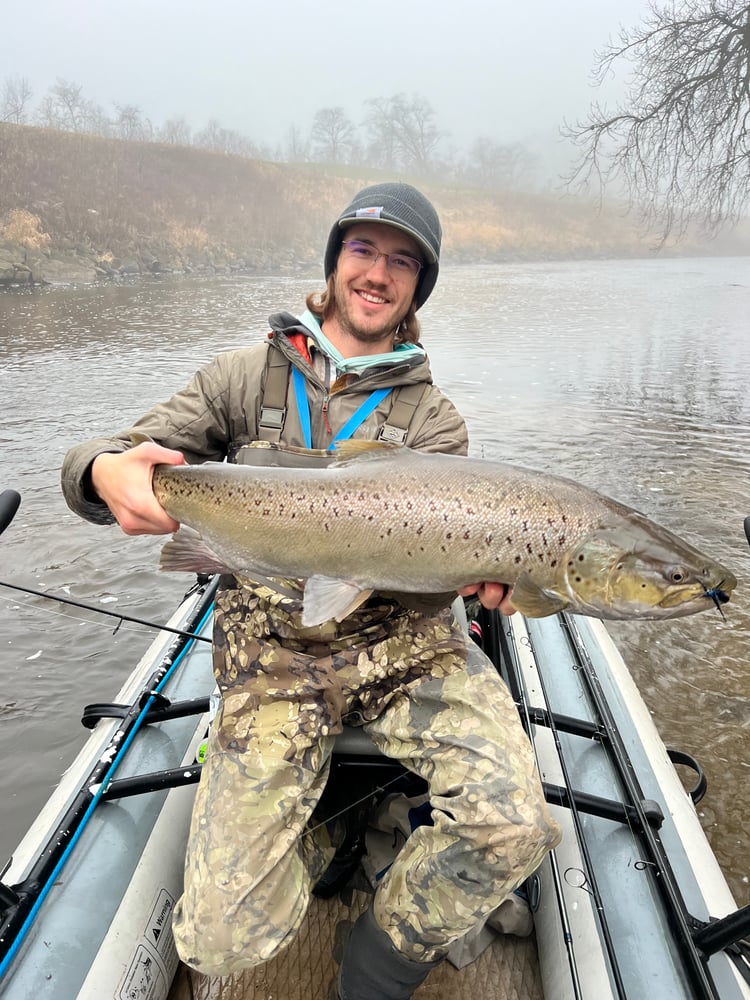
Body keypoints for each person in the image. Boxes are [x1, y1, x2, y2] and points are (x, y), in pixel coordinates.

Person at [61, 182, 560, 999]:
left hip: (405, 647)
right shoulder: (238, 379)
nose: (378, 272)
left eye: (403, 262)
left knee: (513, 825)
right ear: (334, 264)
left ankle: (382, 950)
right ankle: (325, 837)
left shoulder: (436, 422)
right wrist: (98, 469)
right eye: (363, 250)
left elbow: (438, 591)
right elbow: (102, 456)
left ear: (416, 290)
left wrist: (489, 586)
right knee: (218, 943)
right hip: (272, 661)